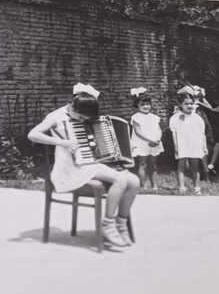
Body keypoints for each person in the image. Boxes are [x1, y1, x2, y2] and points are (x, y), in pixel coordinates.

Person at [28, 83, 139, 247]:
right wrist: (62, 142)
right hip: (69, 169)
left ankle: (121, 223)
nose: (81, 121)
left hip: (89, 163)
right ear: (72, 107)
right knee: (120, 180)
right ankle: (108, 224)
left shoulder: (86, 116)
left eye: (84, 120)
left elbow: (95, 143)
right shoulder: (55, 116)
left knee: (134, 181)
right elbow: (32, 134)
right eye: (80, 118)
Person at [169, 86, 208, 194]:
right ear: (181, 105)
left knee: (195, 167)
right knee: (181, 166)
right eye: (186, 104)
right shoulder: (175, 118)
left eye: (191, 103)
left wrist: (204, 146)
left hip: (195, 144)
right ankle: (181, 187)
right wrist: (176, 147)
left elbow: (202, 134)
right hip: (182, 144)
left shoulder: (198, 118)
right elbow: (174, 133)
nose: (189, 106)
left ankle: (197, 187)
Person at [128, 87, 163, 191]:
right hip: (142, 143)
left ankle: (154, 186)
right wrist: (149, 140)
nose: (146, 106)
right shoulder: (136, 117)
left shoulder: (154, 117)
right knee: (143, 164)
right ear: (137, 105)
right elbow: (138, 132)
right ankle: (144, 186)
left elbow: (159, 130)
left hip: (154, 143)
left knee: (153, 165)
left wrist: (158, 139)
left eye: (147, 104)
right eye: (142, 104)